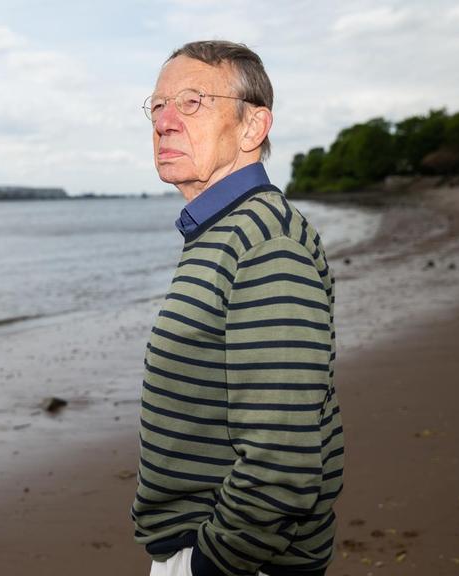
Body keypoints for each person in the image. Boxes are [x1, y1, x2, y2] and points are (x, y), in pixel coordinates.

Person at [131, 40, 344, 576]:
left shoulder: (266, 242)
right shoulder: (222, 232)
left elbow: (281, 463)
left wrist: (212, 563)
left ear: (253, 127)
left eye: (192, 102)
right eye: (156, 106)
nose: (164, 122)